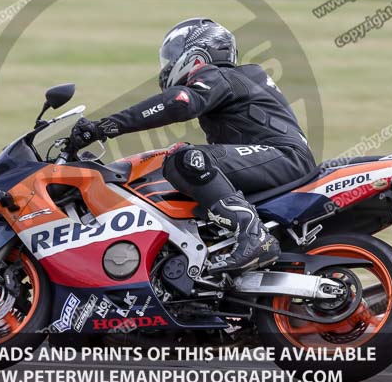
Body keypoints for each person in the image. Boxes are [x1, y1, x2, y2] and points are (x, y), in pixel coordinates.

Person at [69, 18, 316, 275]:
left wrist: (105, 127)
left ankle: (253, 235)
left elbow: (179, 102)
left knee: (186, 159)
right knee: (182, 170)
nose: (167, 68)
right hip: (276, 158)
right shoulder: (234, 81)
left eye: (172, 57)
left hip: (283, 156)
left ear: (198, 54)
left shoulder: (220, 75)